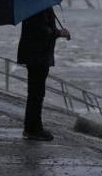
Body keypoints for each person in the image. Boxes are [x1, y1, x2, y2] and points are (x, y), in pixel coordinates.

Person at [17, 7, 70, 141]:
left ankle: (32, 127)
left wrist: (57, 32)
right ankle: (33, 129)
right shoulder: (38, 9)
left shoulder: (37, 7)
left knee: (36, 93)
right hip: (37, 57)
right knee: (36, 93)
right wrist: (60, 33)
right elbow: (42, 32)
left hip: (37, 56)